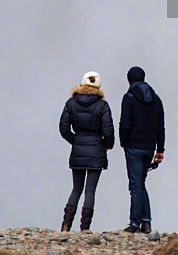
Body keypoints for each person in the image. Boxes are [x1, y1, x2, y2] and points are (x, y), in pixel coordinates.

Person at [59, 70, 115, 232]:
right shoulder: (103, 105)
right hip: (97, 150)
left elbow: (63, 128)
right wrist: (106, 145)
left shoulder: (71, 103)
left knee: (76, 189)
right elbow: (108, 130)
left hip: (78, 150)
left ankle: (66, 225)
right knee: (90, 191)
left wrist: (75, 141)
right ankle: (85, 228)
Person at [119, 66, 165, 233]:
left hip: (133, 147)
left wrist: (123, 142)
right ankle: (146, 222)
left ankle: (134, 223)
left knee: (135, 185)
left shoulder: (129, 98)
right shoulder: (156, 99)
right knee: (141, 183)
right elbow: (161, 126)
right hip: (149, 147)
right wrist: (160, 150)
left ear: (129, 80)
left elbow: (125, 123)